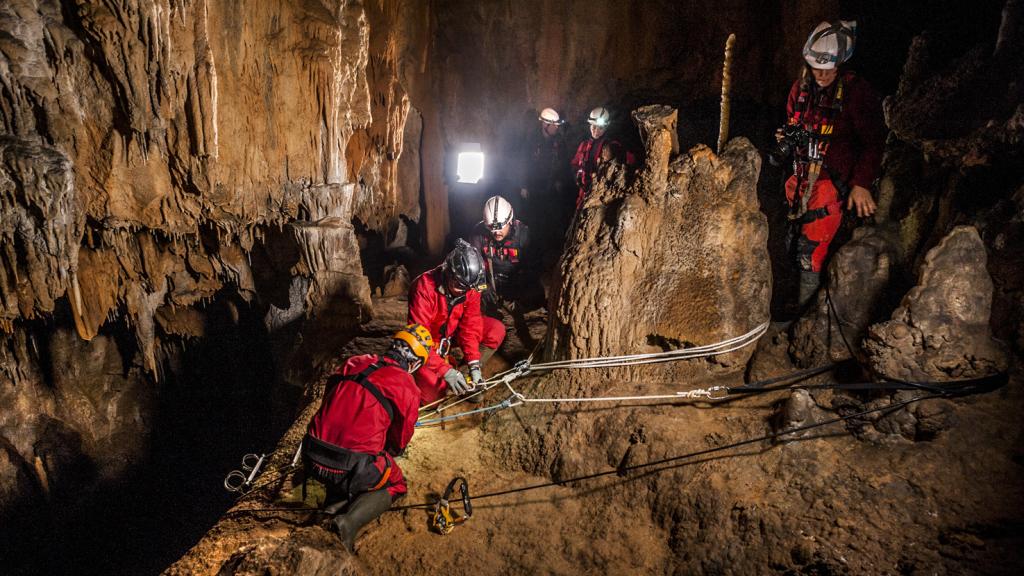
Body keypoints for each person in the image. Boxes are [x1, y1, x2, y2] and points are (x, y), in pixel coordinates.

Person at [779, 20, 885, 308]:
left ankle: (806, 317)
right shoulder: (801, 90)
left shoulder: (856, 93)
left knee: (810, 251)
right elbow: (795, 125)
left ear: (840, 65)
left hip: (832, 183)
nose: (822, 75)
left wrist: (861, 184)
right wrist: (787, 137)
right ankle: (792, 305)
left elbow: (874, 141)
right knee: (791, 244)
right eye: (817, 68)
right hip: (801, 178)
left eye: (828, 68)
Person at [302, 324, 433, 553]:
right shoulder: (407, 386)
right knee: (396, 482)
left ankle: (331, 508)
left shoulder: (356, 361)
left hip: (310, 453)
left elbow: (329, 397)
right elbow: (399, 443)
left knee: (350, 456)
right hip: (349, 467)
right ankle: (348, 523)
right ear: (415, 363)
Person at [408, 239, 506, 404]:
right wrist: (445, 371)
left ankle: (464, 377)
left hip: (454, 333)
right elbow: (417, 339)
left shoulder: (470, 286)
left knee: (495, 330)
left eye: (468, 288)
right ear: (449, 274)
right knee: (431, 398)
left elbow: (470, 325)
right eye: (459, 286)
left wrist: (474, 364)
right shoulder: (423, 287)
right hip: (429, 342)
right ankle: (442, 376)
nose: (464, 292)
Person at [521, 108, 572, 243]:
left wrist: (561, 181)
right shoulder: (532, 140)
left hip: (551, 188)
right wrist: (524, 186)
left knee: (551, 221)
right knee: (535, 220)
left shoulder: (559, 142)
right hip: (535, 188)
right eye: (554, 125)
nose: (556, 127)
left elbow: (565, 164)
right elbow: (524, 163)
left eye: (557, 125)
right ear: (545, 124)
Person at [570, 106, 636, 209]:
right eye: (593, 127)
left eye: (600, 128)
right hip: (582, 195)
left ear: (606, 128)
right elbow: (575, 164)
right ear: (590, 125)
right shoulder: (584, 145)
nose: (596, 131)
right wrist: (577, 174)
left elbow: (631, 160)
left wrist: (620, 154)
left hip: (599, 197)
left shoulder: (611, 146)